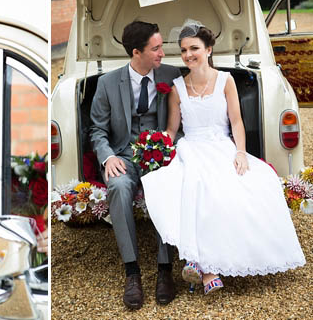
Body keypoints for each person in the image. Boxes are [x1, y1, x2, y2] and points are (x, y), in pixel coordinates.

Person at [141, 20, 306, 295]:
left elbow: (237, 122)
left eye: (194, 48)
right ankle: (206, 268)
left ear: (208, 49)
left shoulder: (226, 81)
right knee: (196, 183)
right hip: (191, 147)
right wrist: (155, 149)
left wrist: (240, 152)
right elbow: (172, 130)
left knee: (250, 182)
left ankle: (220, 260)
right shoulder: (176, 88)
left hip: (222, 145)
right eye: (183, 50)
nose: (188, 55)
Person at [90, 21, 181, 309]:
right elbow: (97, 130)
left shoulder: (171, 75)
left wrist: (171, 147)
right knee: (116, 186)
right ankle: (132, 272)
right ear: (136, 52)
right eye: (156, 48)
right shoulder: (107, 83)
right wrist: (108, 157)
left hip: (161, 155)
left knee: (166, 186)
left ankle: (165, 270)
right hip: (124, 155)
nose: (162, 54)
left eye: (161, 46)